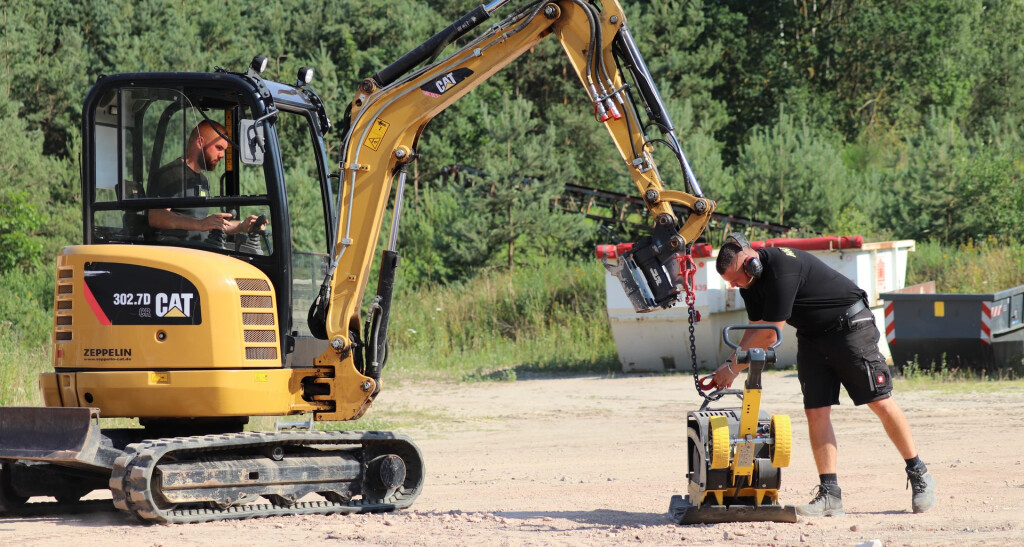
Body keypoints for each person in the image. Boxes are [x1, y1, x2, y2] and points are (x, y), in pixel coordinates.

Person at [710, 233, 936, 517]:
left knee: (879, 401)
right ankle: (830, 494)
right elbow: (754, 329)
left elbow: (769, 334)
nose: (733, 285)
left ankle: (919, 473)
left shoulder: (781, 268)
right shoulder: (749, 284)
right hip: (813, 338)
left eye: (735, 278)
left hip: (851, 327)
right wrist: (731, 362)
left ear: (751, 263)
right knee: (816, 412)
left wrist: (732, 369)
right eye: (730, 281)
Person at [148, 120, 262, 243]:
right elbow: (156, 216)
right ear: (200, 142)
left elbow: (201, 220)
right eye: (219, 148)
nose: (222, 155)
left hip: (201, 250)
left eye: (224, 150)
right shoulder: (170, 175)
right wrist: (200, 224)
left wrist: (242, 226)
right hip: (176, 253)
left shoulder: (203, 179)